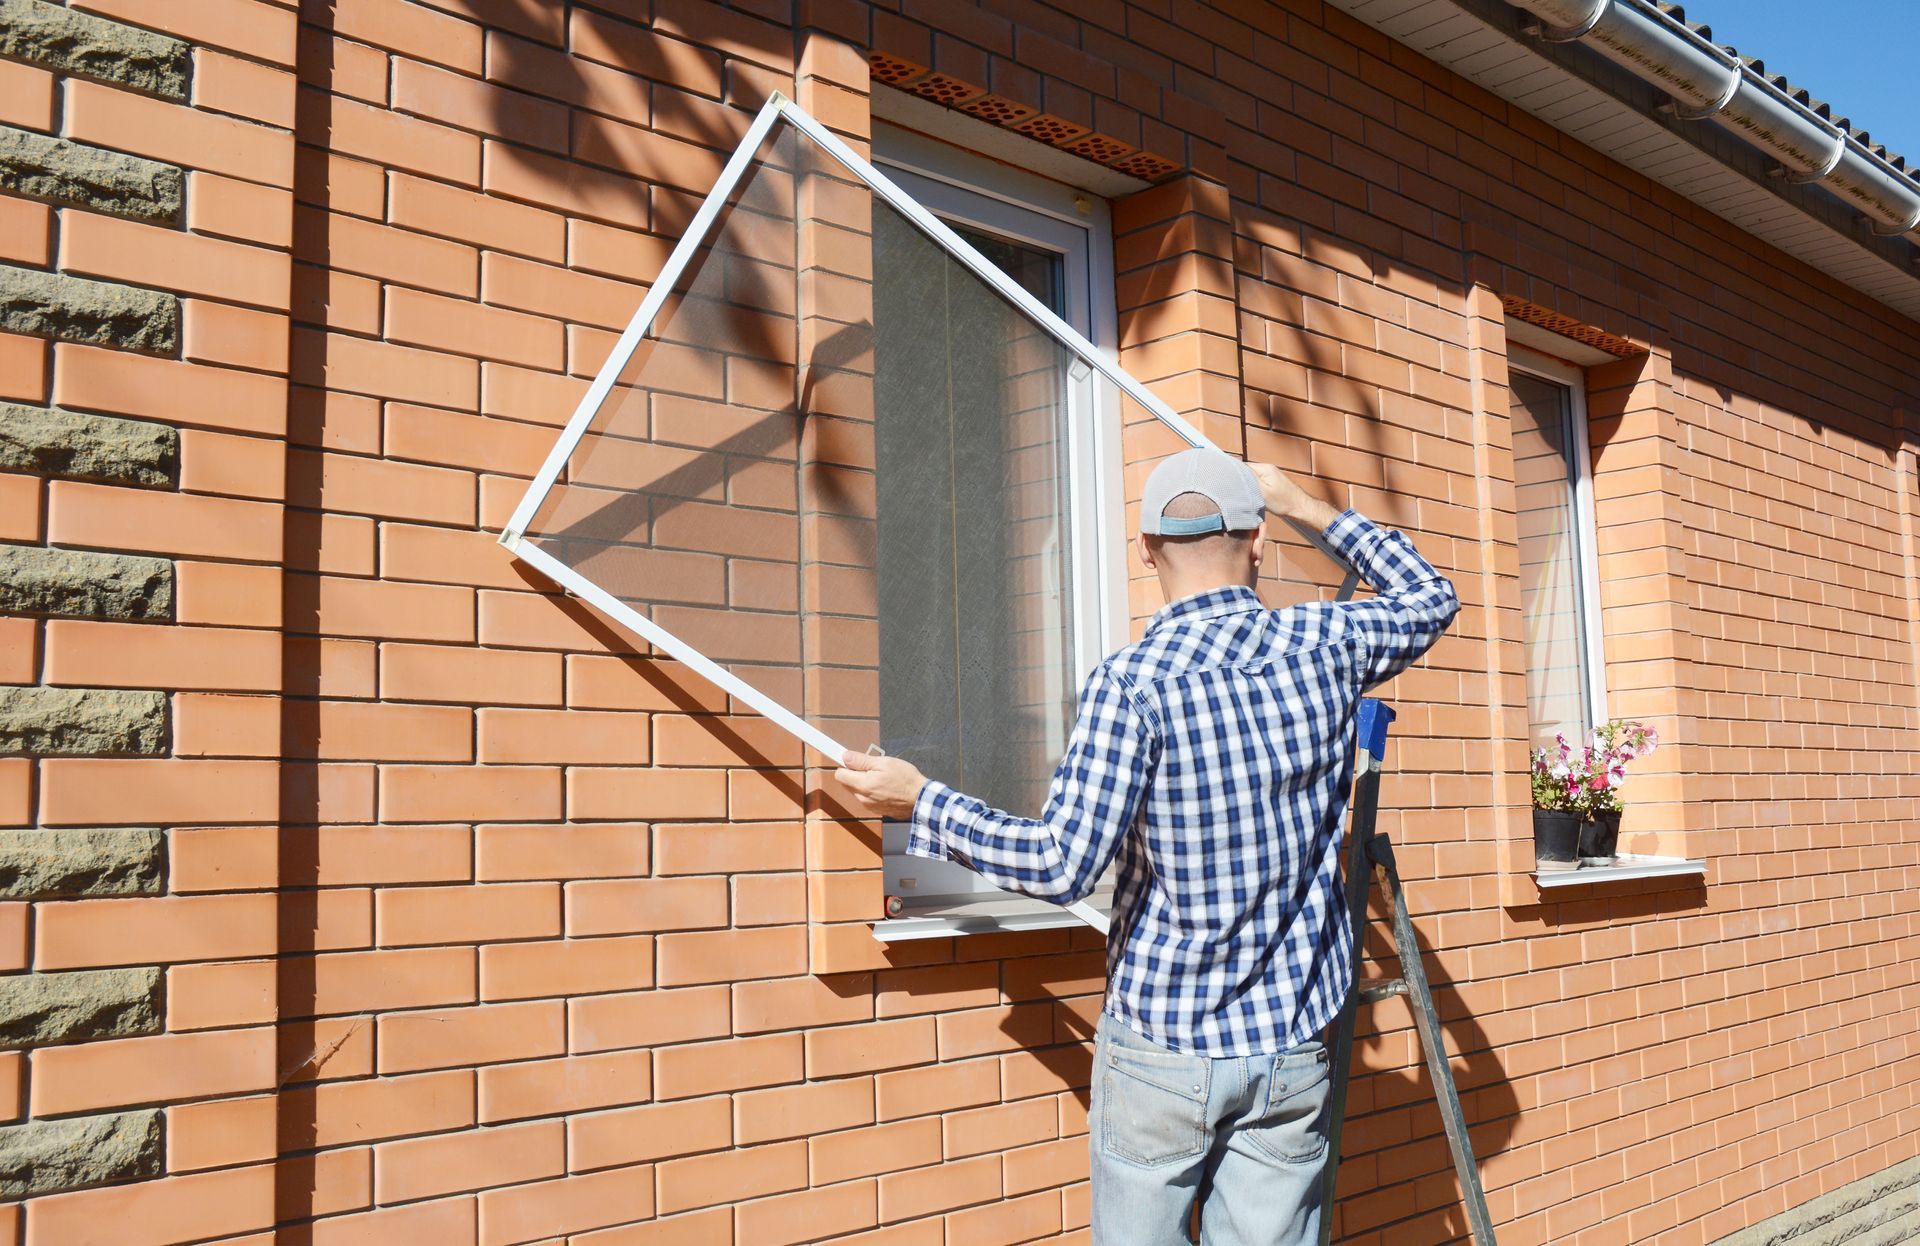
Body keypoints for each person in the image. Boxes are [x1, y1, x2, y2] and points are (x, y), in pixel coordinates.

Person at [835, 449, 1458, 1245]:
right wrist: (1303, 501)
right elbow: (1430, 594)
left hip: (1166, 1045)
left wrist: (922, 801)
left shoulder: (1134, 683)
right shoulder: (1326, 643)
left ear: (1146, 550)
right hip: (1293, 1044)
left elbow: (1062, 863)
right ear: (1258, 543)